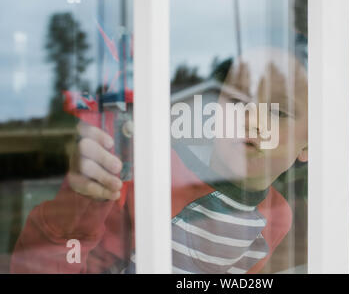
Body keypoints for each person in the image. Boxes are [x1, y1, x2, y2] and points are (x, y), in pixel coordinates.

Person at [10, 47, 308, 274]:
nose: (252, 119)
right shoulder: (140, 176)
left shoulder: (276, 217)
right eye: (236, 100)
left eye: (278, 112)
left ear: (309, 146)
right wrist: (79, 202)